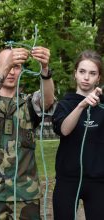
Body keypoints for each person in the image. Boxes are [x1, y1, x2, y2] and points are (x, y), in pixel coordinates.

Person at [0, 46, 55, 220]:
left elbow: (47, 101)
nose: (11, 71)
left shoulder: (29, 103)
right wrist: (6, 67)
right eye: (7, 66)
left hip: (25, 194)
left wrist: (45, 69)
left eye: (16, 67)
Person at [52, 50, 104, 220]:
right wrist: (81, 105)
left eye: (92, 73)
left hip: (98, 181)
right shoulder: (64, 104)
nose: (86, 77)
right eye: (82, 72)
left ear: (99, 78)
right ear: (75, 74)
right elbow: (64, 130)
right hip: (68, 180)